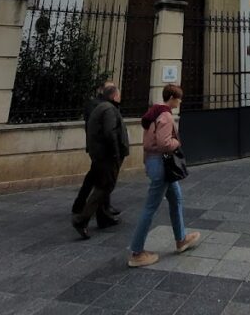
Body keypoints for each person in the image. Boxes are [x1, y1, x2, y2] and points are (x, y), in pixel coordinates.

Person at [128, 84, 200, 267]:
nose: (181, 101)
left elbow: (148, 142)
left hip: (155, 162)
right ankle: (137, 252)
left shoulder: (154, 113)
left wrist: (147, 163)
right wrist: (177, 142)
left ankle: (181, 239)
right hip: (163, 165)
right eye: (179, 97)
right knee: (150, 208)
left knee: (176, 199)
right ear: (173, 98)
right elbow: (163, 143)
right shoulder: (166, 116)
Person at [72, 83, 129, 238]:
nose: (120, 95)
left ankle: (103, 218)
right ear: (114, 95)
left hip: (100, 155)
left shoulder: (102, 107)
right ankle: (81, 219)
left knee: (101, 185)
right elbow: (110, 133)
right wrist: (116, 154)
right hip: (106, 157)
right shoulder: (108, 109)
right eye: (118, 93)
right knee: (104, 187)